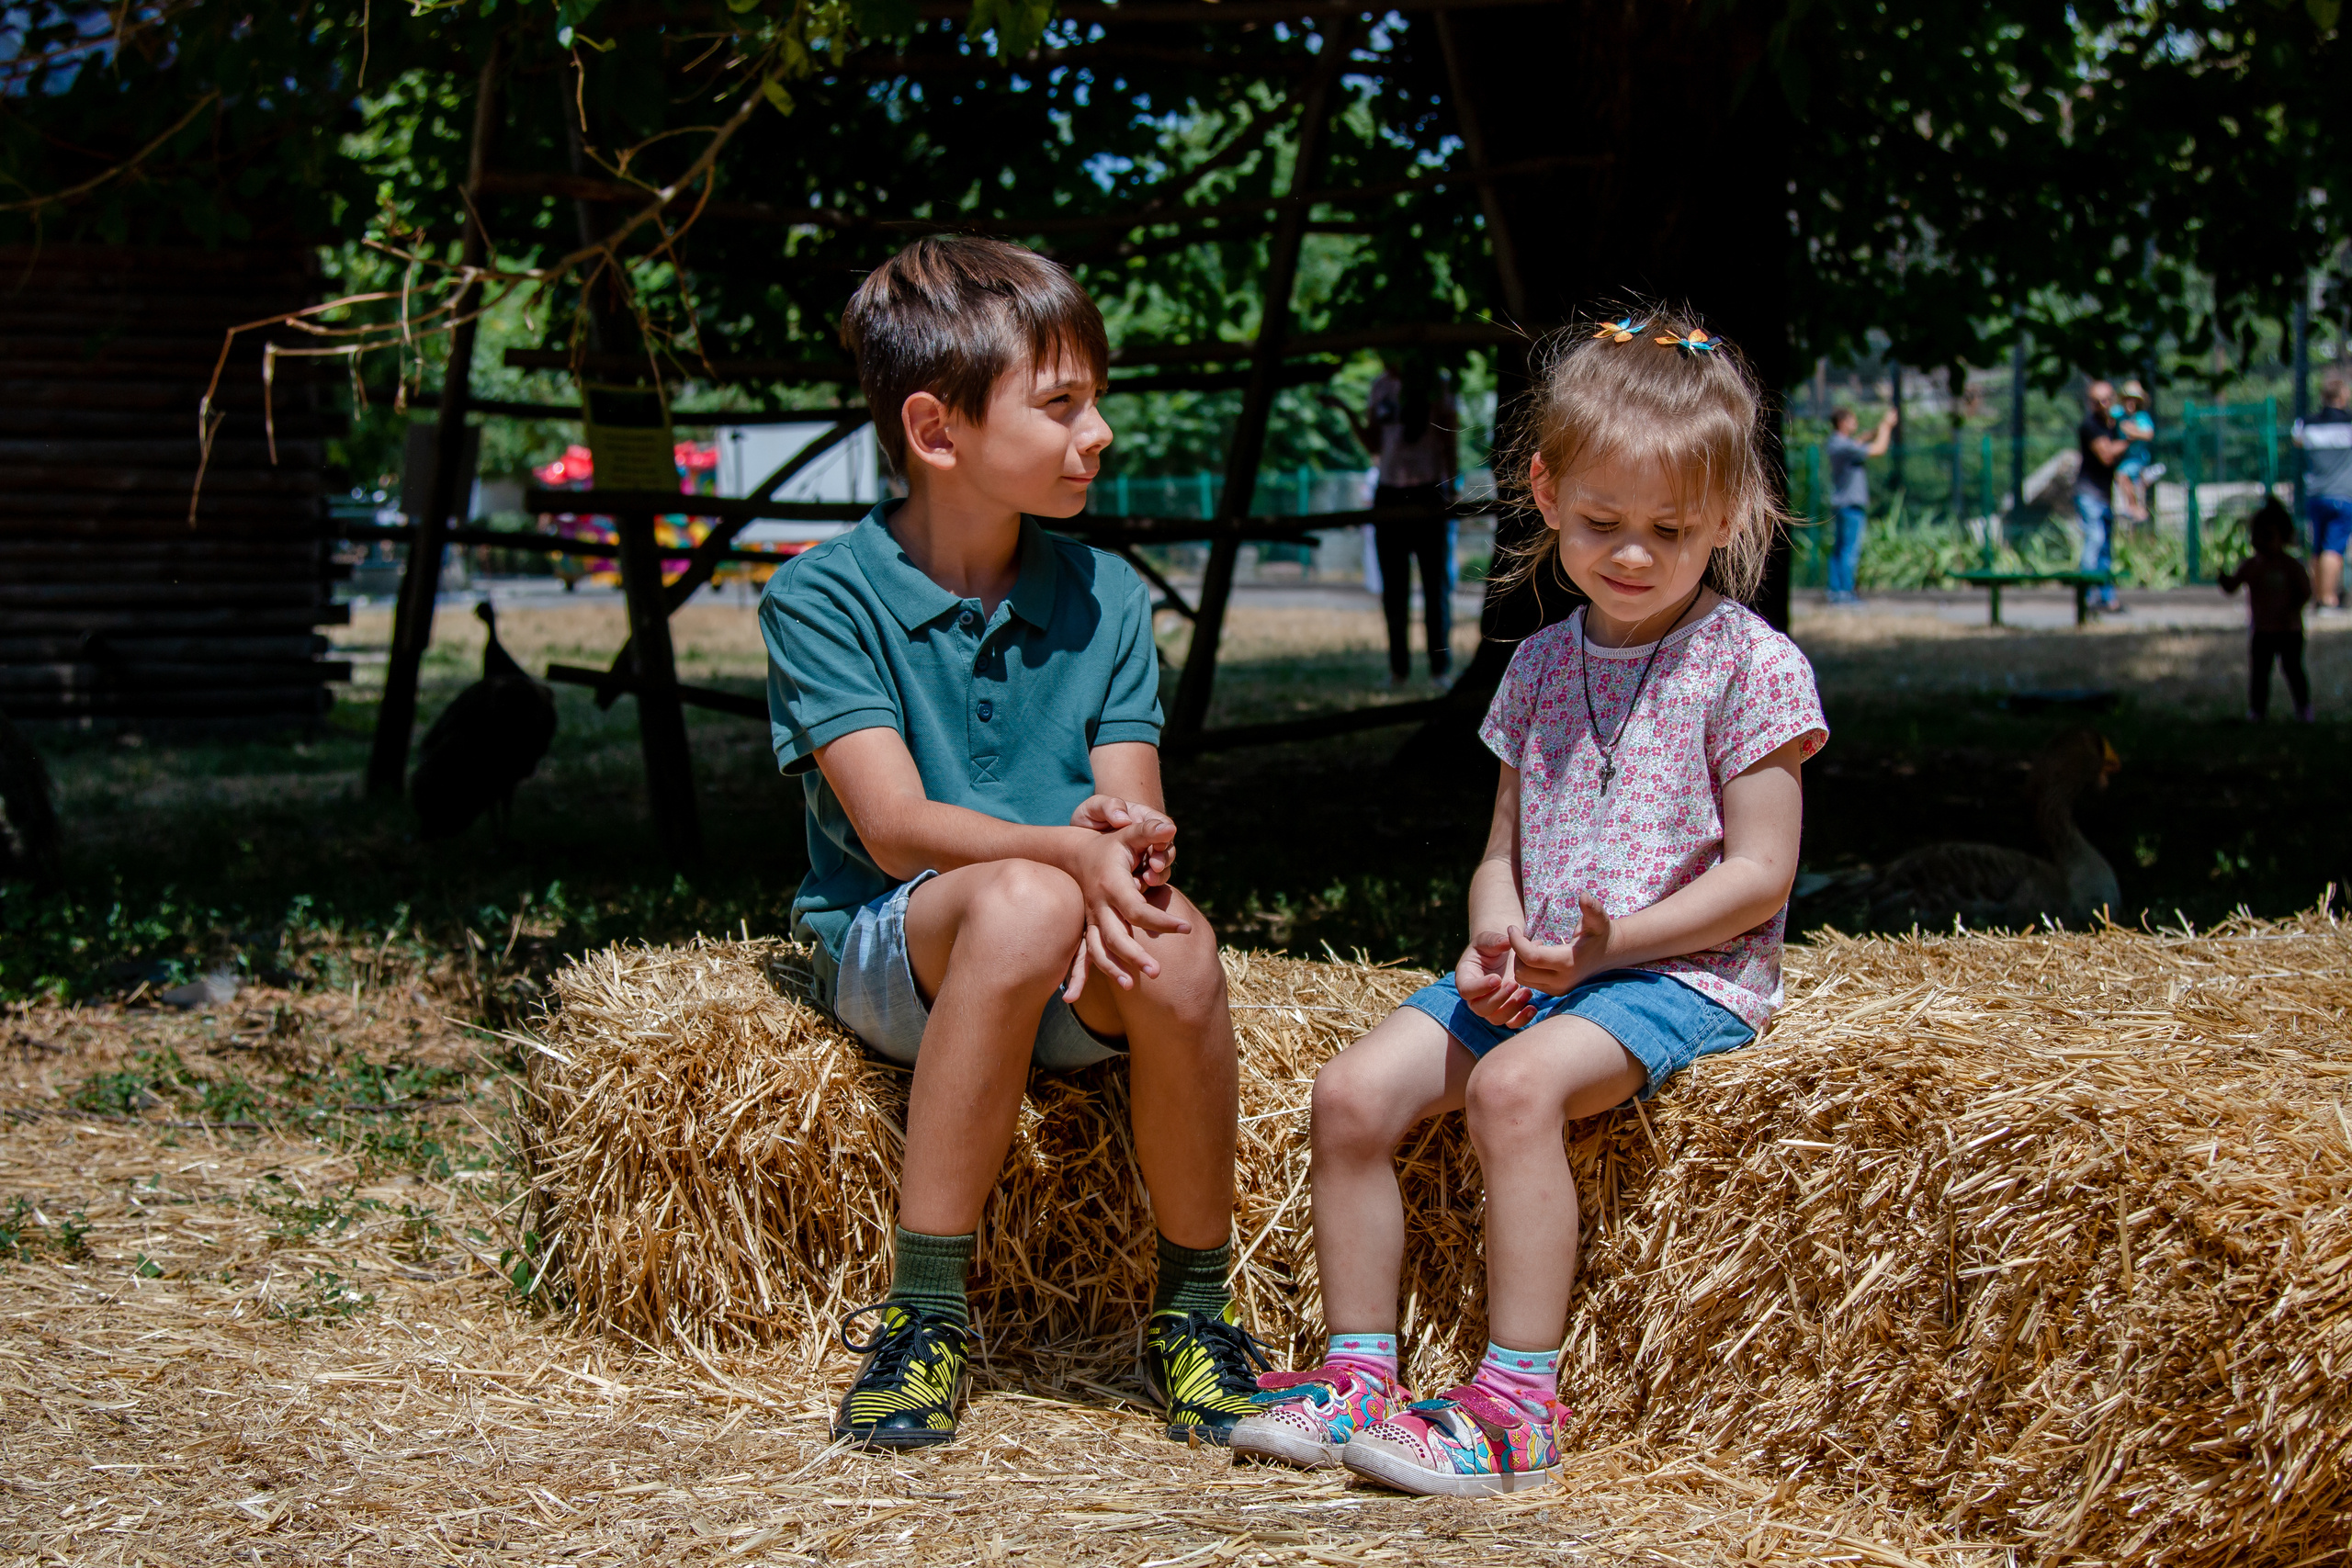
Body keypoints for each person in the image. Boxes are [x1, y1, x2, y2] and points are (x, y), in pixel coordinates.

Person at [1231, 310, 1825, 1496]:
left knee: (1513, 1085)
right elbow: (1501, 848)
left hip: (1685, 972)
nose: (1635, 554)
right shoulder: (1540, 663)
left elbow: (1761, 877)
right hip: (1549, 965)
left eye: (1671, 529)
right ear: (1546, 493)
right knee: (1349, 1091)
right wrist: (1494, 930)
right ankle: (1359, 1368)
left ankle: (1518, 1396)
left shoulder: (1751, 664)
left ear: (1730, 512)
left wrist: (1619, 941)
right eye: (1603, 522)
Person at [762, 236, 1262, 1450]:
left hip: (1055, 947)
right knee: (1023, 903)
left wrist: (1128, 837)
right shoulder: (822, 595)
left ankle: (1197, 1312)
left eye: (1096, 399)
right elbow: (893, 830)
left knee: (1184, 948)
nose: (1099, 433)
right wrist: (1061, 852)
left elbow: (1127, 808)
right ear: (938, 432)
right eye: (1062, 405)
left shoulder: (1106, 597)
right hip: (898, 945)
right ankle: (923, 1317)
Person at [1327, 359, 1458, 683]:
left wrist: (1452, 486)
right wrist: (1346, 411)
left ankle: (1439, 668)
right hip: (1389, 494)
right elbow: (1373, 443)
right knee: (1394, 589)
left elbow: (1450, 436)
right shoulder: (1380, 387)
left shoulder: (1435, 382)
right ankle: (1398, 669)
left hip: (1429, 492)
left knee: (1435, 585)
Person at [2218, 497, 2313, 722]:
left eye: (2267, 535)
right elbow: (2233, 586)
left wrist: (2292, 609)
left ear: (2284, 537)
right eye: (2256, 535)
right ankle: (2257, 711)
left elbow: (2305, 591)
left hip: (2289, 630)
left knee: (2293, 671)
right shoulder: (2252, 566)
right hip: (2262, 631)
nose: (2260, 541)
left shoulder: (2291, 566)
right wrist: (2223, 580)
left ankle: (2303, 709)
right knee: (2259, 674)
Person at [1822, 403, 1894, 604]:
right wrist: (1887, 427)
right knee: (1849, 551)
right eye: (1853, 420)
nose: (1856, 423)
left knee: (1839, 550)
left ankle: (1836, 591)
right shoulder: (1843, 446)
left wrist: (1875, 430)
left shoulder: (1837, 443)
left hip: (1841, 505)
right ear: (1843, 423)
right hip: (1851, 506)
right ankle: (1846, 593)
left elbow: (1859, 442)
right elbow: (1879, 449)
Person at [2294, 371, 2352, 614]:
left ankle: (2317, 598)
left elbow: (2297, 441)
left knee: (2316, 547)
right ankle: (2328, 600)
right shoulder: (2349, 425)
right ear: (2343, 395)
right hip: (2343, 495)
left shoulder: (2306, 425)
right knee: (2333, 548)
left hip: (2315, 495)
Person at [2074, 380, 2131, 613]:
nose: (2104, 405)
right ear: (2091, 403)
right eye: (2098, 401)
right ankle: (2086, 597)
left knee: (2106, 548)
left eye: (2107, 399)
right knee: (2094, 541)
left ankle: (2107, 598)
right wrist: (2129, 439)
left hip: (2105, 495)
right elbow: (2106, 456)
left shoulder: (2113, 425)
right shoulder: (2090, 426)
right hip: (2089, 494)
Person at [2114, 380, 2156, 526]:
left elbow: (2149, 434)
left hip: (2138, 459)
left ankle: (2133, 507)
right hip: (2121, 458)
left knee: (2122, 475)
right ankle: (2134, 509)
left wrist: (2132, 432)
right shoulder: (2118, 414)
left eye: (2134, 399)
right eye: (2128, 399)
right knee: (2123, 478)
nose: (2130, 402)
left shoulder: (2142, 417)